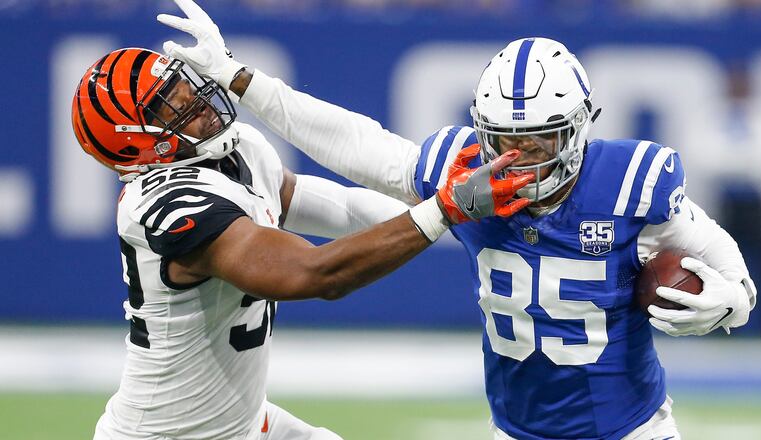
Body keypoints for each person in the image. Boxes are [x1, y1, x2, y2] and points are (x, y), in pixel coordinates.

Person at [157, 1, 759, 439]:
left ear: (578, 129)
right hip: (514, 430)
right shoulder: (467, 175)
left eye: (540, 141)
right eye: (504, 140)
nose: (519, 158)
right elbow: (357, 144)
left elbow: (727, 265)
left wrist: (730, 300)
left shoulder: (629, 183)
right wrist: (242, 80)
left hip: (632, 430)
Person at [73, 39, 533, 440]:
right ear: (132, 142)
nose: (199, 103)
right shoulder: (167, 204)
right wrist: (443, 211)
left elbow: (340, 208)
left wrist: (458, 220)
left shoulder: (238, 151)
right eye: (172, 107)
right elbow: (315, 274)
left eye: (186, 89)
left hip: (240, 424)